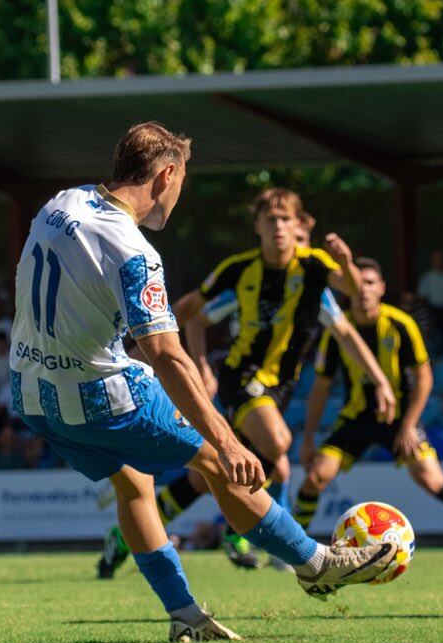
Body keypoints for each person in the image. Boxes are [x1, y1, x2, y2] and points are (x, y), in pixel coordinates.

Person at [9, 122, 396, 642]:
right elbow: (168, 356)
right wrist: (227, 438)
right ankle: (315, 562)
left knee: (133, 484)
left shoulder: (62, 202)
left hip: (30, 393)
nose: (182, 192)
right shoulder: (135, 252)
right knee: (219, 462)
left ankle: (186, 615)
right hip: (101, 394)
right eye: (184, 178)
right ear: (166, 173)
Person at [119, 189, 396, 574]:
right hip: (242, 378)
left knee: (220, 472)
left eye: (287, 220)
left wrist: (380, 379)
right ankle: (249, 535)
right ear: (258, 227)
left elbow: (350, 313)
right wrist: (194, 363)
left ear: (299, 226)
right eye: (271, 220)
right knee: (279, 444)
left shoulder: (314, 272)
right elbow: (192, 313)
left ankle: (125, 538)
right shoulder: (239, 271)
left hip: (279, 389)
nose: (280, 228)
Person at [295, 258, 443, 563]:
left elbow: (425, 377)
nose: (364, 289)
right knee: (316, 476)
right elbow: (320, 387)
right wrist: (308, 438)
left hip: (399, 419)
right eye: (358, 283)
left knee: (431, 478)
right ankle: (292, 551)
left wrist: (408, 425)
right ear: (347, 287)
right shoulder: (337, 330)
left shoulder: (401, 323)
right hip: (356, 419)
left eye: (371, 282)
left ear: (382, 288)